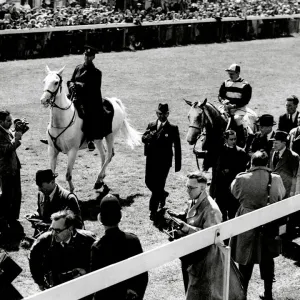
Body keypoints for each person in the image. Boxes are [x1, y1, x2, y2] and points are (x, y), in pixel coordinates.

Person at [168, 171, 245, 299]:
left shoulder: (211, 210)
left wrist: (187, 228)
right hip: (191, 254)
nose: (188, 190)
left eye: (191, 188)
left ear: (203, 188)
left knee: (203, 293)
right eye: (187, 187)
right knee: (189, 286)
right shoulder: (194, 199)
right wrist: (177, 215)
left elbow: (210, 237)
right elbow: (190, 214)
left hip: (206, 260)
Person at [230, 150, 286, 300]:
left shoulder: (241, 179)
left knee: (245, 260)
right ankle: (268, 293)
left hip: (246, 223)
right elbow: (281, 195)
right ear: (267, 164)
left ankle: (243, 294)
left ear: (252, 163)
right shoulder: (276, 179)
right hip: (269, 224)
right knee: (267, 259)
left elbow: (234, 193)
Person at [91, 194, 148, 300]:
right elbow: (142, 276)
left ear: (101, 219)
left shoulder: (97, 247)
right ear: (120, 216)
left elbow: (97, 283)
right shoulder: (133, 240)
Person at [29, 210, 96, 292]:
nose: (53, 234)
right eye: (52, 229)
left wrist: (87, 271)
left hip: (82, 286)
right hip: (56, 286)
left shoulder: (87, 240)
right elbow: (33, 259)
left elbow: (100, 260)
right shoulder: (44, 240)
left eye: (57, 231)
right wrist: (40, 281)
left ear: (70, 228)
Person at [142, 103, 181, 221]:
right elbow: (143, 137)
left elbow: (177, 146)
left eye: (164, 114)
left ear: (168, 114)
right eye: (159, 114)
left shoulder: (173, 128)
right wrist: (147, 137)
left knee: (158, 184)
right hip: (151, 159)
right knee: (148, 182)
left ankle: (153, 210)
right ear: (156, 113)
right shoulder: (151, 125)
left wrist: (177, 164)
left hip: (164, 162)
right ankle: (162, 194)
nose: (162, 116)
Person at [67, 45, 106, 151]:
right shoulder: (78, 68)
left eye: (89, 56)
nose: (87, 58)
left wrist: (77, 85)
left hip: (88, 100)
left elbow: (92, 88)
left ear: (93, 57)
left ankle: (89, 139)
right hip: (74, 96)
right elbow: (71, 80)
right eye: (86, 55)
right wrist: (71, 85)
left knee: (87, 115)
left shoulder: (96, 73)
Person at [26, 169, 83, 237]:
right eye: (38, 186)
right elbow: (42, 212)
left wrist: (50, 226)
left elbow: (78, 225)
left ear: (52, 182)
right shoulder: (41, 194)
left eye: (41, 186)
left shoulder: (68, 198)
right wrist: (34, 216)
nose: (39, 189)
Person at [212, 130, 249, 221]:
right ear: (225, 139)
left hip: (234, 190)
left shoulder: (241, 153)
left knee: (233, 214)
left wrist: (231, 171)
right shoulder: (219, 151)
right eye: (231, 139)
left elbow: (242, 170)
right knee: (221, 215)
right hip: (221, 190)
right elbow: (215, 172)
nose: (233, 141)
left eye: (235, 139)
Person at [0, 110, 24, 242]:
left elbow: (11, 138)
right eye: (8, 121)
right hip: (6, 170)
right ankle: (4, 221)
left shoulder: (5, 130)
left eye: (11, 120)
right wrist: (17, 138)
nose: (10, 123)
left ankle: (13, 218)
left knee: (17, 195)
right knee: (7, 196)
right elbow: (5, 149)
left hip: (14, 167)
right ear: (0, 121)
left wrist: (19, 131)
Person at [218, 63, 252, 146]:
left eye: (232, 74)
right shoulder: (225, 83)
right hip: (226, 107)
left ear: (237, 73)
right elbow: (220, 95)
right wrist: (223, 101)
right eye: (229, 74)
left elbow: (245, 100)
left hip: (239, 109)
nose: (230, 76)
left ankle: (241, 140)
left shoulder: (245, 85)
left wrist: (234, 106)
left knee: (237, 119)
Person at [270, 130, 300, 198]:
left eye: (276, 143)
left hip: (286, 193)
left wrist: (292, 193)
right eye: (273, 143)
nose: (273, 145)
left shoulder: (293, 156)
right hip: (273, 191)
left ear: (284, 143)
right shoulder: (272, 153)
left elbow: (295, 176)